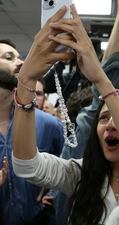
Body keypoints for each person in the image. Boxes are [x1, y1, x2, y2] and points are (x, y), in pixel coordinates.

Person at [12, 4, 119, 225]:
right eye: (103, 118)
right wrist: (26, 80)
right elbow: (26, 166)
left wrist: (100, 79)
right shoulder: (80, 173)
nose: (111, 125)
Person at [0, 39, 64, 224]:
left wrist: (54, 192)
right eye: (9, 57)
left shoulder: (48, 124)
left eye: (20, 58)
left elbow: (71, 164)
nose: (20, 63)